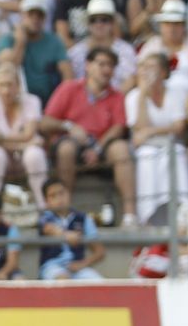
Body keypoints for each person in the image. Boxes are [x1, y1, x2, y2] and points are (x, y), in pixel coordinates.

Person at [41, 46, 138, 224]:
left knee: (122, 149)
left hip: (102, 146)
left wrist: (98, 148)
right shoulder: (69, 88)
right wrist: (69, 126)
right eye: (101, 64)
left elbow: (118, 128)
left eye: (110, 65)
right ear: (87, 65)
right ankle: (64, 214)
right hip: (71, 144)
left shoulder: (117, 96)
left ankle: (130, 215)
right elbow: (45, 122)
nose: (106, 70)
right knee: (66, 148)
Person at [126, 50, 188, 224]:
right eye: (144, 67)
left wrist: (151, 131)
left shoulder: (176, 93)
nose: (147, 72)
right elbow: (140, 126)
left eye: (152, 67)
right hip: (146, 147)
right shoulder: (134, 97)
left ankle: (183, 211)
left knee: (175, 153)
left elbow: (179, 127)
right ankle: (148, 215)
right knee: (148, 155)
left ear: (163, 72)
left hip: (171, 143)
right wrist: (143, 93)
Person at [0, 63, 51, 204]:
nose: (6, 90)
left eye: (10, 85)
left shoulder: (32, 101)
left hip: (24, 158)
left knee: (34, 154)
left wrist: (1, 138)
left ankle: (43, 205)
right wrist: (24, 143)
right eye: (1, 85)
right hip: (4, 158)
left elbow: (29, 133)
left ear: (18, 86)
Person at [0, 0, 72, 102]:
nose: (35, 19)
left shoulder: (54, 41)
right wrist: (20, 43)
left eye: (39, 15)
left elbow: (67, 74)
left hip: (49, 100)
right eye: (30, 14)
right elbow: (7, 69)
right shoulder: (8, 39)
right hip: (17, 101)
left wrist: (63, 100)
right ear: (22, 16)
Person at [38, 176, 106, 278]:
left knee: (97, 283)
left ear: (69, 194)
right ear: (46, 202)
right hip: (52, 267)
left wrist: (83, 264)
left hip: (77, 268)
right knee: (63, 279)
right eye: (53, 196)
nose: (59, 199)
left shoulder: (83, 218)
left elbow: (100, 251)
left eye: (61, 193)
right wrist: (66, 235)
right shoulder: (45, 217)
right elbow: (48, 229)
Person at [68, 0, 138, 91]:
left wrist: (110, 100)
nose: (99, 24)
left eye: (104, 20)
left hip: (117, 101)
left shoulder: (126, 50)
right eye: (93, 20)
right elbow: (71, 83)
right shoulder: (75, 52)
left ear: (112, 23)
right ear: (88, 24)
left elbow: (131, 80)